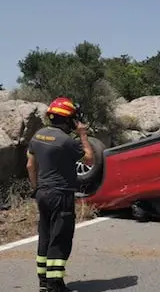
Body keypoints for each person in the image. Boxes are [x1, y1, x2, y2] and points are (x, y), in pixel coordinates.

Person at [26, 97, 94, 292]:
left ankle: (43, 281)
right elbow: (89, 160)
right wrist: (82, 135)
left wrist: (36, 188)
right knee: (61, 237)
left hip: (42, 193)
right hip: (60, 194)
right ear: (69, 120)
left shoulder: (37, 136)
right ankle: (55, 284)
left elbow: (30, 165)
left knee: (45, 235)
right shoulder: (66, 141)